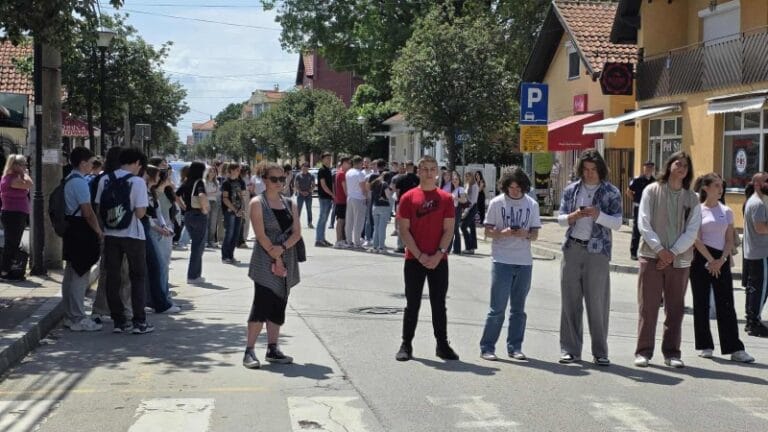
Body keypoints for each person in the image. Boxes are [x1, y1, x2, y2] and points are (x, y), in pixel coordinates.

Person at [557, 149, 623, 365]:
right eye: (585, 170)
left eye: (593, 169)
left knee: (597, 302)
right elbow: (560, 219)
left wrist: (598, 215)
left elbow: (618, 223)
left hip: (598, 252)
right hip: (573, 247)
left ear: (600, 170)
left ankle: (600, 351)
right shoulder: (571, 190)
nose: (589, 174)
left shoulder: (611, 192)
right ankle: (570, 349)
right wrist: (572, 216)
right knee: (570, 301)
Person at [634, 152, 700, 368]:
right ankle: (643, 352)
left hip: (679, 262)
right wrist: (661, 250)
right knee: (648, 307)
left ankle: (672, 353)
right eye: (677, 163)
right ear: (669, 166)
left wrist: (672, 253)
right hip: (651, 256)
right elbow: (643, 223)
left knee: (675, 308)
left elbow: (692, 231)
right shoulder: (651, 190)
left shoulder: (692, 198)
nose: (681, 168)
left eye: (685, 166)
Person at [395, 156, 459, 362]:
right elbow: (403, 230)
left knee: (438, 304)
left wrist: (439, 253)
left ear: (437, 172)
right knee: (412, 303)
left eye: (432, 169)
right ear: (418, 172)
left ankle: (442, 344)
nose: (429, 173)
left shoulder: (446, 198)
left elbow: (449, 229)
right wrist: (419, 254)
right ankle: (406, 344)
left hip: (439, 260)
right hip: (414, 259)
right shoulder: (408, 198)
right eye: (424, 169)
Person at [243, 163, 303, 369]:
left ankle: (273, 348)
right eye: (274, 179)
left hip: (286, 257)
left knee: (279, 303)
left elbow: (297, 232)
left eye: (282, 179)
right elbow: (260, 234)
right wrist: (275, 254)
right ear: (264, 180)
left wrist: (283, 248)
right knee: (261, 303)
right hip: (264, 259)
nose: (279, 183)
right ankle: (249, 350)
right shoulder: (257, 203)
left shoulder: (290, 203)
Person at [689, 173, 754, 362]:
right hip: (702, 258)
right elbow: (697, 239)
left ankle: (734, 348)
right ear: (705, 188)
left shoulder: (726, 211)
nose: (720, 189)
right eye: (716, 185)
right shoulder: (698, 210)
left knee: (726, 304)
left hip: (721, 259)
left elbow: (729, 240)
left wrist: (721, 259)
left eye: (721, 186)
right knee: (701, 303)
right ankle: (705, 345)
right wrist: (710, 260)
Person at [479, 168, 540, 361]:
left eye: (518, 187)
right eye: (510, 187)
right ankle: (487, 347)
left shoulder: (532, 204)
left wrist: (526, 234)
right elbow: (487, 231)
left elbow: (535, 234)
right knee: (497, 308)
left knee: (518, 309)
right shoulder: (497, 203)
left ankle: (515, 347)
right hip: (502, 260)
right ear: (505, 187)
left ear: (524, 187)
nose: (514, 191)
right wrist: (501, 233)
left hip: (524, 262)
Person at [95, 148, 154, 334]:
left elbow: (98, 207)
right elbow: (140, 212)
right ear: (137, 163)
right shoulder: (137, 182)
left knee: (113, 277)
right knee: (137, 277)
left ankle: (118, 321)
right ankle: (139, 322)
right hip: (134, 236)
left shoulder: (105, 179)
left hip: (111, 235)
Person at [61, 147, 103, 331]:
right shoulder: (80, 183)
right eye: (91, 162)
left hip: (71, 228)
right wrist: (98, 231)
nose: (92, 166)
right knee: (80, 274)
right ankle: (77, 317)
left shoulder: (69, 178)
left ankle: (70, 315)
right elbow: (87, 212)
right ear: (83, 162)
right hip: (80, 230)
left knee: (71, 273)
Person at [741, 172, 768, 337]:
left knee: (754, 289)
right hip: (760, 253)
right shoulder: (757, 204)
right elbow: (760, 228)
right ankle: (754, 322)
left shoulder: (757, 201)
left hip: (756, 252)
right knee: (760, 289)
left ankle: (751, 320)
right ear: (757, 184)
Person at [0, 154, 32, 281]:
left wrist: (23, 173)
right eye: (23, 164)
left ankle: (9, 269)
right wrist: (26, 174)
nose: (25, 166)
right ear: (15, 166)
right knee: (11, 243)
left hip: (17, 213)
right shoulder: (10, 179)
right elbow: (29, 184)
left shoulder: (15, 177)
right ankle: (4, 271)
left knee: (14, 242)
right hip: (13, 214)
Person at [177, 162, 209, 284]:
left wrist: (183, 206)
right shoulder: (199, 182)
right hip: (198, 215)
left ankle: (196, 274)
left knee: (197, 245)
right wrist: (205, 209)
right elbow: (201, 195)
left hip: (188, 215)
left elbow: (176, 195)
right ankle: (193, 276)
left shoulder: (187, 181)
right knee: (198, 247)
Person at [627, 161, 656, 260]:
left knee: (649, 229)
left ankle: (648, 252)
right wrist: (634, 199)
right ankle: (633, 253)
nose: (649, 169)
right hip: (638, 207)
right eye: (647, 167)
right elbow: (628, 191)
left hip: (650, 208)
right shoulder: (638, 180)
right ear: (643, 168)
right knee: (637, 229)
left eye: (651, 168)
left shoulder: (654, 181)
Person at [220, 163, 247, 264]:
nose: (238, 171)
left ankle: (231, 256)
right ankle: (225, 256)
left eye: (239, 170)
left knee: (236, 234)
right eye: (236, 169)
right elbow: (225, 199)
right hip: (230, 211)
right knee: (229, 233)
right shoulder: (226, 183)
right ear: (231, 170)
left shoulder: (241, 182)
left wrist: (242, 210)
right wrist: (235, 209)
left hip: (239, 211)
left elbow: (243, 196)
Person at [393, 161, 419, 253]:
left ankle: (400, 246)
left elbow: (397, 192)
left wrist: (398, 202)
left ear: (405, 167)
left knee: (402, 225)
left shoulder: (400, 178)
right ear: (413, 167)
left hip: (403, 204)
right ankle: (411, 246)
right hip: (415, 204)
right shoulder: (417, 179)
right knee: (413, 225)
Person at [369, 160, 392, 253]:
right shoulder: (385, 184)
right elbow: (388, 196)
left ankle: (375, 246)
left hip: (375, 205)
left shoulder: (374, 183)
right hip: (384, 206)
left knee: (376, 227)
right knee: (382, 228)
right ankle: (381, 247)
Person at [345, 156, 367, 249]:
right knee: (359, 221)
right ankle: (357, 242)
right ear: (359, 163)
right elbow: (363, 188)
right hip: (358, 198)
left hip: (350, 197)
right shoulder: (360, 174)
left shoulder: (348, 172)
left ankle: (349, 241)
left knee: (349, 220)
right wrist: (366, 197)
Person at [315, 153, 334, 247]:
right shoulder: (322, 170)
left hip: (328, 198)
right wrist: (332, 194)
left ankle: (322, 239)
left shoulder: (328, 170)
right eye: (327, 158)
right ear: (322, 160)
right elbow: (323, 185)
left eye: (330, 158)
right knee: (322, 218)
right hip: (323, 197)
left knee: (325, 219)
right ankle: (318, 240)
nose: (329, 160)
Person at [333, 157, 350, 249]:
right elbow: (345, 189)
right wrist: (349, 197)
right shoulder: (342, 174)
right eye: (348, 163)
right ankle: (339, 241)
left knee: (341, 220)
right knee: (341, 220)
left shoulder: (339, 173)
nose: (349, 165)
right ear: (343, 163)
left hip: (339, 200)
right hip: (342, 200)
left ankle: (341, 240)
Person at [461, 171, 479, 254]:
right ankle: (472, 247)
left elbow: (473, 200)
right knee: (472, 228)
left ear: (472, 177)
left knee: (463, 226)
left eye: (469, 176)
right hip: (467, 206)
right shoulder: (467, 185)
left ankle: (469, 247)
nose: (467, 178)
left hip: (471, 207)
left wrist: (466, 211)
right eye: (466, 176)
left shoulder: (475, 186)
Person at [204, 166, 221, 248]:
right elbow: (204, 193)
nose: (213, 173)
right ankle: (205, 241)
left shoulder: (216, 182)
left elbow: (218, 193)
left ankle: (211, 240)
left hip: (214, 203)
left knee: (213, 223)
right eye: (211, 171)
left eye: (214, 171)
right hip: (206, 202)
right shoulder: (204, 182)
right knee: (206, 222)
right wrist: (212, 193)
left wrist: (210, 193)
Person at [294, 162, 315, 229]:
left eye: (306, 168)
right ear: (301, 168)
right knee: (298, 209)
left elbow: (313, 185)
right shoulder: (298, 175)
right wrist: (301, 192)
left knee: (309, 209)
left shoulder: (311, 176)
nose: (305, 169)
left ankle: (310, 223)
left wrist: (308, 191)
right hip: (300, 195)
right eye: (304, 168)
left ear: (308, 168)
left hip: (308, 195)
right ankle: (296, 224)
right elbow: (296, 185)